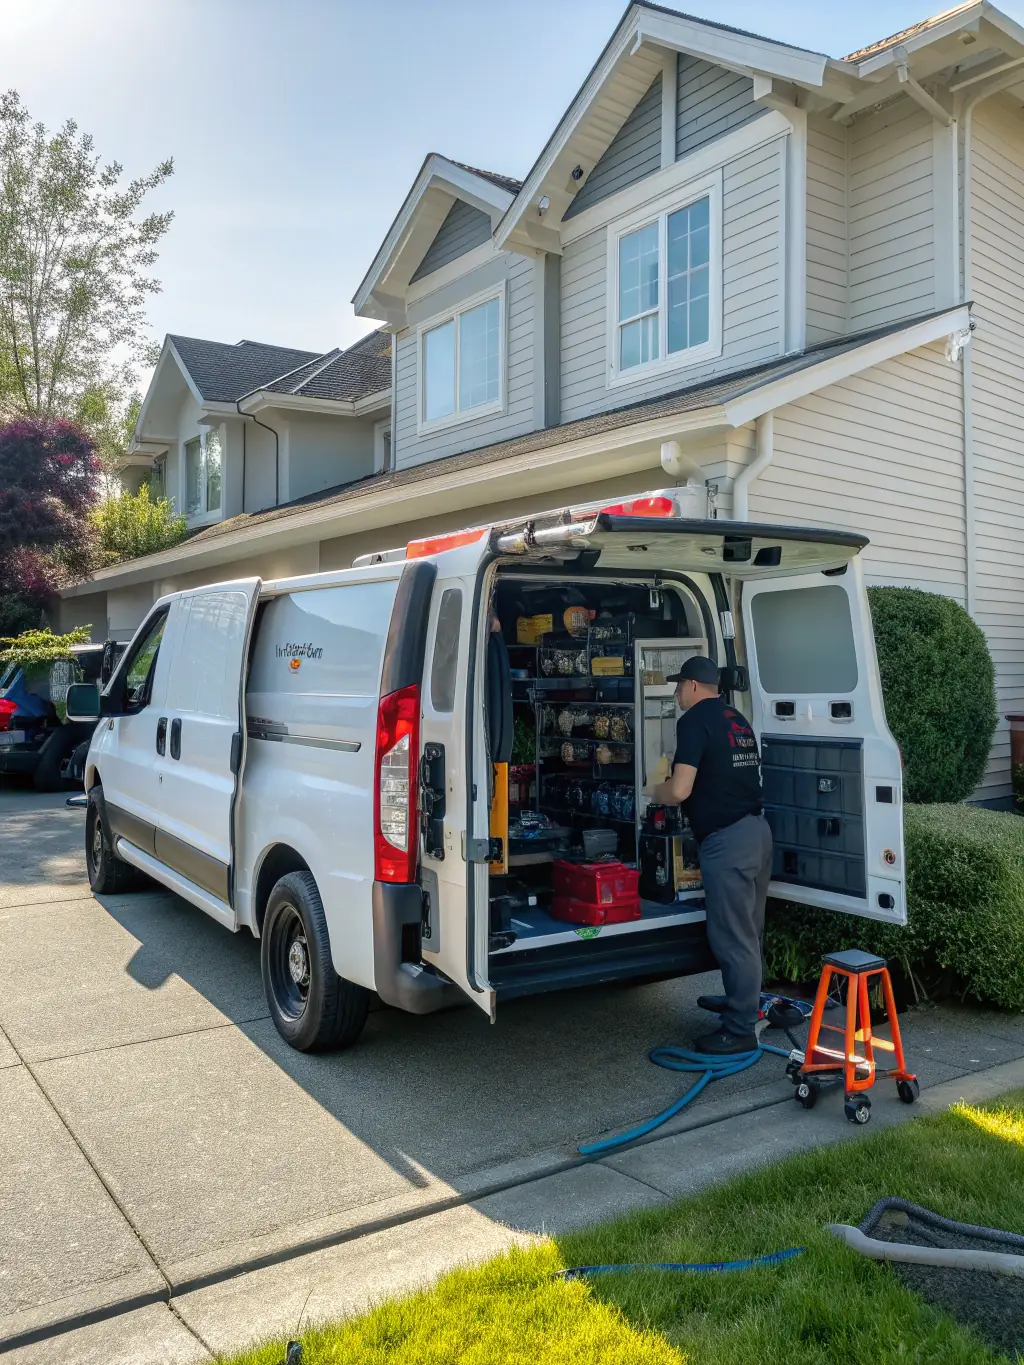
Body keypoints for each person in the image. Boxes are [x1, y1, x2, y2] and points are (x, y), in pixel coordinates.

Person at [644, 655, 773, 1055]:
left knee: (732, 937)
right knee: (749, 932)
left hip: (728, 842)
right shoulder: (736, 720)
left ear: (695, 686)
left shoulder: (694, 721)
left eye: (679, 686)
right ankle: (745, 1004)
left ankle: (738, 1030)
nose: (677, 693)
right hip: (757, 832)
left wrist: (653, 791)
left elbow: (680, 790)